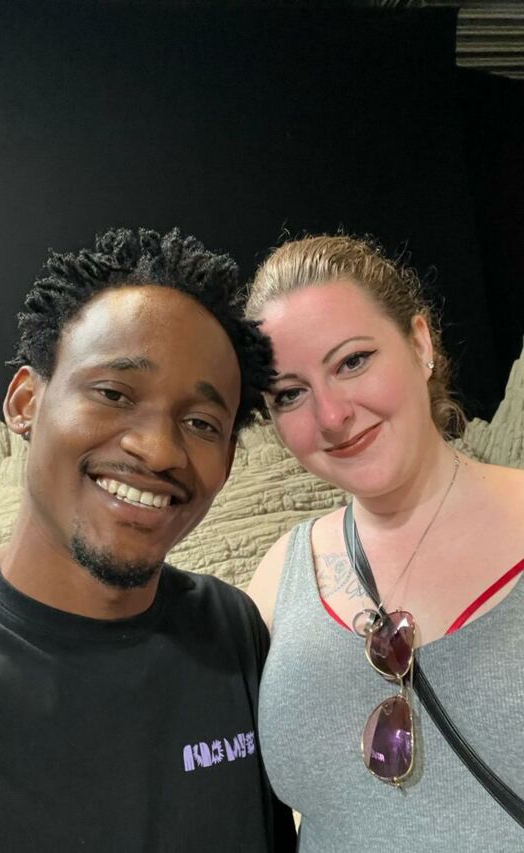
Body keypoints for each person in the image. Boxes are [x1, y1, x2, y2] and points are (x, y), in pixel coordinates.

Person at [0, 227, 296, 853]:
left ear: (230, 459)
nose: (158, 450)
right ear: (25, 402)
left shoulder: (231, 631)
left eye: (201, 422)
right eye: (113, 393)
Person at [245, 234, 524, 852]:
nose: (332, 416)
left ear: (421, 344)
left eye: (352, 361)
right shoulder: (280, 577)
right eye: (289, 393)